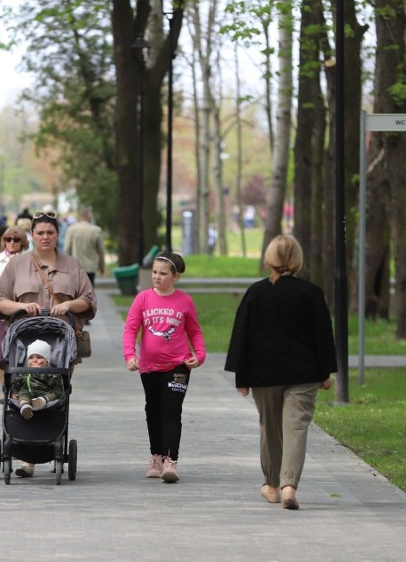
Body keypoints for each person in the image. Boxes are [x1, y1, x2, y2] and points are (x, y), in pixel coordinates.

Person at [224, 235, 336, 509]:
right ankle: (289, 486)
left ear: (269, 259)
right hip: (304, 372)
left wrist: (242, 377)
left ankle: (272, 486)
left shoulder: (256, 292)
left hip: (264, 373)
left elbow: (242, 335)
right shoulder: (311, 293)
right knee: (296, 428)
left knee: (271, 428)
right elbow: (323, 335)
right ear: (297, 260)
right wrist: (326, 372)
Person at [0, 210, 96, 477]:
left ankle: (54, 446)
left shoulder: (72, 265)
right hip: (25, 346)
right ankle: (28, 458)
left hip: (61, 346)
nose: (45, 237)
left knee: (57, 394)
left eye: (50, 232)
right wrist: (22, 306)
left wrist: (69, 304)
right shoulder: (17, 265)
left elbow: (88, 300)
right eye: (40, 233)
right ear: (32, 235)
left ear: (57, 235)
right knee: (22, 390)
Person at [122, 252, 206, 484]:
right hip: (149, 367)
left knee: (171, 409)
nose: (157, 277)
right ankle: (156, 457)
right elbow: (130, 329)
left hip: (178, 365)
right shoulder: (143, 299)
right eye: (155, 272)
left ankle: (171, 460)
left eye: (163, 273)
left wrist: (199, 356)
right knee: (153, 410)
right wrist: (130, 355)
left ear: (175, 276)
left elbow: (195, 332)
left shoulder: (185, 301)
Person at [0, 226, 28, 399]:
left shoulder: (28, 260)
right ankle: (5, 387)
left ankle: (17, 388)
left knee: (20, 352)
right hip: (1, 312)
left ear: (22, 242)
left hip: (22, 312)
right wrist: (2, 298)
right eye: (8, 239)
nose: (11, 243)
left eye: (15, 239)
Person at [11, 339, 65, 420]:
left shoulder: (50, 374)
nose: (35, 360)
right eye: (31, 358)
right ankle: (25, 407)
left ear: (47, 361)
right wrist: (14, 392)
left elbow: (57, 389)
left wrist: (47, 397)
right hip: (27, 394)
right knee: (23, 392)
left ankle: (42, 401)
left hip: (44, 394)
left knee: (56, 393)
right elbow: (16, 385)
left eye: (39, 357)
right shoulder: (23, 373)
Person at [63, 208, 105, 287]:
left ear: (80, 217)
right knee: (90, 290)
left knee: (76, 290)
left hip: (75, 266)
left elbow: (66, 249)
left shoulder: (71, 229)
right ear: (90, 217)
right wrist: (101, 266)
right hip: (90, 267)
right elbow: (101, 251)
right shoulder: (96, 230)